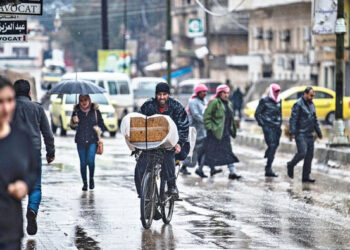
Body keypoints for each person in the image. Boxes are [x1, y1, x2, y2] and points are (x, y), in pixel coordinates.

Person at [11, 79, 55, 236]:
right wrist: (51, 153)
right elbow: (48, 134)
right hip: (33, 152)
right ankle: (32, 209)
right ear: (29, 93)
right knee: (35, 187)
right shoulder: (37, 108)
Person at [0, 77, 39, 249]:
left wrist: (25, 185)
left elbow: (33, 170)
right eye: (0, 102)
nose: (6, 108)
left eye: (9, 100)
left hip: (10, 229)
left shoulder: (21, 137)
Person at [135, 82, 189, 199]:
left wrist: (179, 143)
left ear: (168, 95)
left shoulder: (177, 107)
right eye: (159, 94)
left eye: (165, 94)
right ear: (156, 95)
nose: (162, 97)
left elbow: (183, 126)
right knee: (140, 164)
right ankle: (142, 193)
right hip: (151, 142)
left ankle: (171, 186)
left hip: (171, 143)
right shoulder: (148, 106)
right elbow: (138, 121)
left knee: (168, 156)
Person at [203, 85, 241, 179]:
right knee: (212, 152)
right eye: (224, 93)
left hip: (225, 133)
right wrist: (210, 128)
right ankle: (211, 169)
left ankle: (232, 172)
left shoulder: (228, 103)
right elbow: (207, 116)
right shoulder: (214, 102)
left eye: (227, 93)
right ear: (219, 93)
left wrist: (232, 129)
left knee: (228, 152)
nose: (226, 95)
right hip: (215, 133)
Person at [287, 87, 322, 183]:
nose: (312, 97)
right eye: (311, 95)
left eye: (313, 96)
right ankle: (291, 164)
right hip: (300, 133)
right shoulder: (298, 104)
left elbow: (315, 120)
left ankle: (306, 176)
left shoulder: (312, 105)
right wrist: (292, 133)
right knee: (302, 153)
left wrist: (319, 132)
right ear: (305, 94)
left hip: (310, 134)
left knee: (309, 156)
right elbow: (293, 119)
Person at [70, 95, 105, 191]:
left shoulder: (95, 111)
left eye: (85, 100)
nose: (83, 102)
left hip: (92, 140)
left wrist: (99, 129)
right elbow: (72, 127)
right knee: (83, 163)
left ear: (89, 100)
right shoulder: (76, 111)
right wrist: (74, 122)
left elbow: (102, 125)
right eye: (81, 100)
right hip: (80, 140)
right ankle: (85, 183)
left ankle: (91, 179)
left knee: (90, 161)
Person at [181, 84, 209, 177]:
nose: (205, 93)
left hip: (202, 130)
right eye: (203, 92)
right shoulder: (193, 102)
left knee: (204, 149)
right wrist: (206, 122)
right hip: (194, 130)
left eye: (206, 91)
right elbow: (196, 115)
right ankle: (185, 166)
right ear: (198, 93)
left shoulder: (204, 101)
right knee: (193, 150)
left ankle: (200, 169)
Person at [255, 83, 282, 177]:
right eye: (276, 91)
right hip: (268, 127)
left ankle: (268, 164)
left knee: (274, 146)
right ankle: (268, 168)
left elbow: (280, 113)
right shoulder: (264, 100)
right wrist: (263, 124)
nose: (277, 93)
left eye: (279, 91)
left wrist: (280, 123)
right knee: (272, 145)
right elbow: (257, 114)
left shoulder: (279, 101)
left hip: (277, 127)